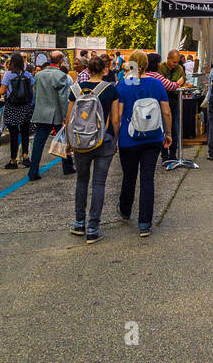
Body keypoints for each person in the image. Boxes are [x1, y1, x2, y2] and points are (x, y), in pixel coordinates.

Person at [110, 51, 171, 238]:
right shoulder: (156, 83)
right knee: (147, 178)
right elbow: (166, 111)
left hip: (129, 139)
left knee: (128, 176)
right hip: (153, 137)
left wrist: (114, 138)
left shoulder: (124, 85)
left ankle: (126, 209)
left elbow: (117, 116)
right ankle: (144, 223)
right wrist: (167, 133)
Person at [68, 55, 120, 243]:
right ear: (104, 70)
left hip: (81, 141)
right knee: (99, 184)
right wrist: (114, 140)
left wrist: (68, 141)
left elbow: (69, 119)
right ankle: (93, 228)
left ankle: (79, 222)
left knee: (81, 180)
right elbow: (115, 119)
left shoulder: (75, 90)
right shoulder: (110, 90)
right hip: (103, 139)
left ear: (87, 70)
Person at [28, 50, 73, 180]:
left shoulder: (38, 75)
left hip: (41, 112)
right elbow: (62, 99)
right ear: (60, 61)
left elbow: (35, 95)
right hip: (56, 114)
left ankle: (33, 171)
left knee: (38, 143)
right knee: (62, 140)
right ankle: (67, 167)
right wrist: (65, 116)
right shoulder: (60, 76)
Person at [0, 52, 36, 169]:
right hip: (25, 107)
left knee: (13, 134)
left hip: (12, 106)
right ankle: (25, 157)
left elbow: (2, 91)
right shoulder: (28, 75)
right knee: (25, 132)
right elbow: (32, 90)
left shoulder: (8, 75)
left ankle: (13, 160)